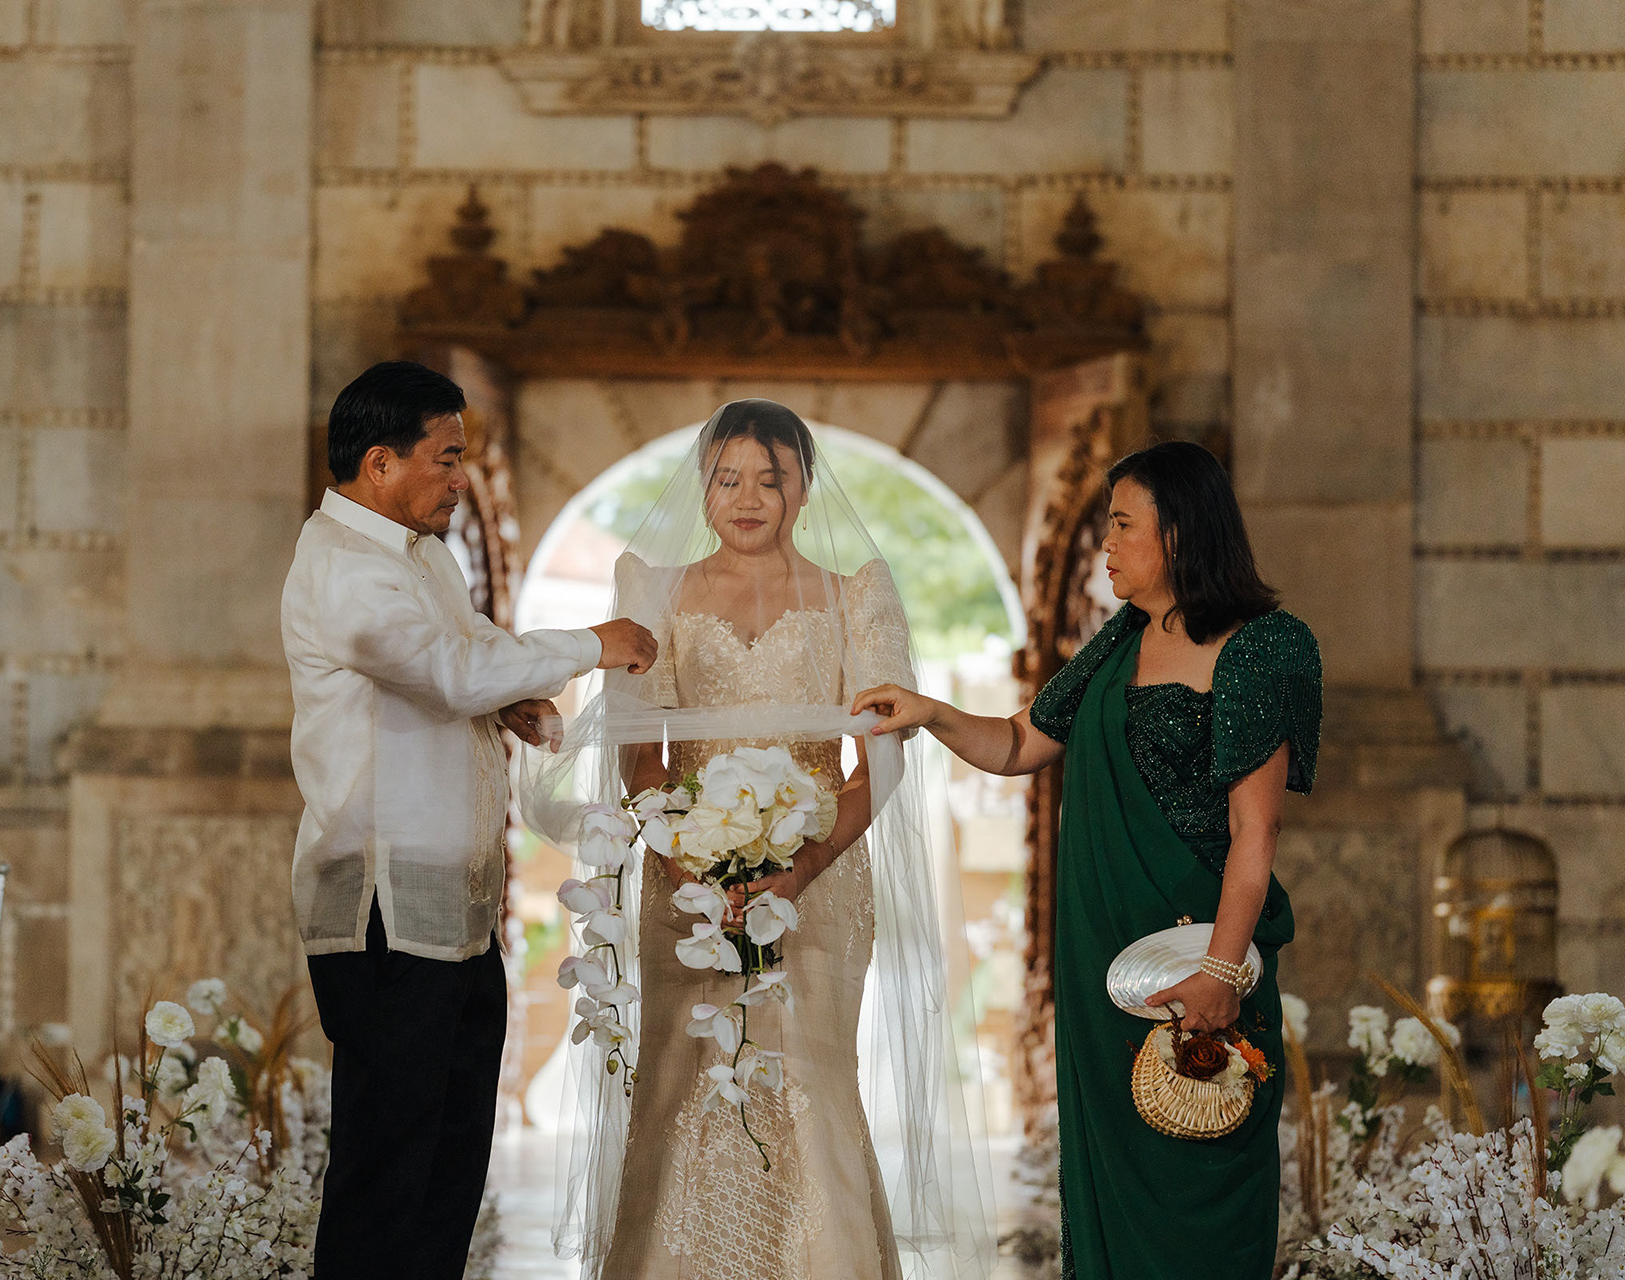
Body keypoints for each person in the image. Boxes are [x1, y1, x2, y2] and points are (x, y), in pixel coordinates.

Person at [522, 400, 994, 1280]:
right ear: (702, 488)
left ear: (805, 488)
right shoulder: (654, 591)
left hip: (821, 882)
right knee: (681, 1077)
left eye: (769, 480)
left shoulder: (856, 595)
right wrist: (687, 864)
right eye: (727, 479)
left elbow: (881, 758)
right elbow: (640, 752)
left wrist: (802, 869)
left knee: (812, 1078)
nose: (747, 498)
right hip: (685, 882)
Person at [855, 439, 1323, 1280]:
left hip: (1205, 962)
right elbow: (1019, 744)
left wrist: (1221, 972)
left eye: (1122, 524)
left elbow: (1257, 831)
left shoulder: (1265, 647)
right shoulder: (1121, 642)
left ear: (1179, 531)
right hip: (1106, 974)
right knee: (1110, 1190)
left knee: (1202, 1188)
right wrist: (929, 712)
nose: (1106, 543)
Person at [281, 360, 657, 1280]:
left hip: (456, 915)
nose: (461, 479)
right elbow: (446, 672)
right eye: (446, 459)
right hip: (383, 912)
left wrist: (512, 694)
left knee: (449, 1171)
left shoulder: (421, 557)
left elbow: (468, 648)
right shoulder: (341, 566)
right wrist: (589, 645)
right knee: (386, 1175)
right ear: (379, 462)